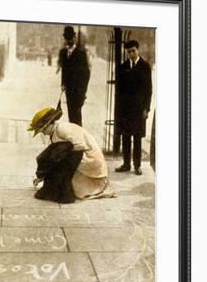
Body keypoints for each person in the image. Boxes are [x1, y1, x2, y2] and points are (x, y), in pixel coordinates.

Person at [28, 106, 116, 203]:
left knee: (58, 157)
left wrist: (58, 161)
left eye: (43, 130)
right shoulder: (55, 131)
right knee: (55, 157)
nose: (44, 134)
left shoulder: (62, 128)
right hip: (79, 157)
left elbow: (80, 146)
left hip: (89, 159)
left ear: (48, 125)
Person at [115, 40, 153, 176]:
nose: (131, 54)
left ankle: (137, 165)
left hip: (139, 109)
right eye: (129, 51)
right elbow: (119, 91)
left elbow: (149, 90)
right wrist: (118, 111)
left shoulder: (145, 67)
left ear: (138, 50)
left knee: (137, 138)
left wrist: (146, 109)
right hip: (125, 110)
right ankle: (126, 164)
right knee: (125, 137)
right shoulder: (122, 67)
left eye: (133, 51)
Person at [58, 26, 91, 126]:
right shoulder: (63, 53)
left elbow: (86, 74)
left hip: (78, 92)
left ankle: (79, 139)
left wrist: (82, 92)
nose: (69, 40)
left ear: (74, 38)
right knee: (71, 117)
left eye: (71, 38)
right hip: (68, 91)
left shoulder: (81, 53)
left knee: (77, 118)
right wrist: (63, 84)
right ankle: (73, 139)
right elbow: (64, 70)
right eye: (67, 38)